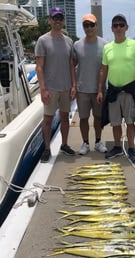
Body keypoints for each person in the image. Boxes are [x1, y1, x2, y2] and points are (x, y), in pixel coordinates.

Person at [97, 14, 135, 163]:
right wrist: (100, 90)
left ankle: (131, 148)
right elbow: (103, 70)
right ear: (112, 28)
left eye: (121, 25)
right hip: (113, 91)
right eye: (115, 25)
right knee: (115, 122)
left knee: (131, 121)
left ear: (126, 27)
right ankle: (118, 147)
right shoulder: (107, 47)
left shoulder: (134, 45)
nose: (118, 28)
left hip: (129, 91)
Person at [35, 7, 76, 163]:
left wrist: (73, 85)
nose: (57, 20)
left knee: (65, 118)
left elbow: (71, 65)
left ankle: (64, 145)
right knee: (47, 120)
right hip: (50, 89)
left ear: (63, 20)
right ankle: (47, 148)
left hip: (66, 87)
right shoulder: (42, 40)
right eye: (54, 18)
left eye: (60, 17)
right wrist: (43, 89)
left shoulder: (69, 41)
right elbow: (39, 67)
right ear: (49, 20)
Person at [73, 13, 107, 155]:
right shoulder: (77, 45)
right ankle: (85, 142)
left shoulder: (105, 45)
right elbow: (72, 66)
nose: (89, 28)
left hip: (99, 90)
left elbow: (107, 67)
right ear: (83, 27)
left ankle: (98, 141)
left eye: (91, 24)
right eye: (86, 25)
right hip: (82, 90)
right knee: (83, 118)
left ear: (96, 25)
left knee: (98, 118)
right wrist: (73, 85)